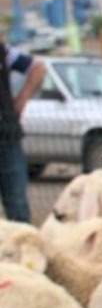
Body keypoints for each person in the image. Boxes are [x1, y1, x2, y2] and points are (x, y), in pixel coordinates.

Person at [0, 42, 45, 224]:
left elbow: (38, 68)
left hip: (7, 138)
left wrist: (22, 99)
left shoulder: (3, 51)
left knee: (18, 208)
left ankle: (22, 239)